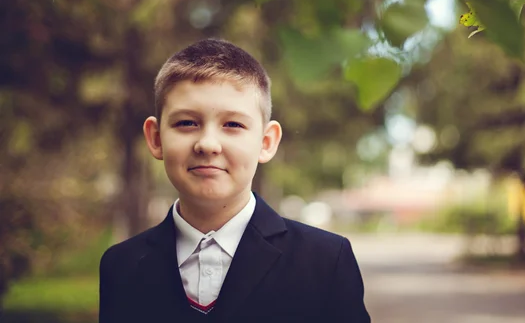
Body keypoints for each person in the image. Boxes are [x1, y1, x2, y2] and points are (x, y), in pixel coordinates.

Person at [99, 39, 370, 323]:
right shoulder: (121, 266)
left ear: (266, 142)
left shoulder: (325, 260)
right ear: (156, 138)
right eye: (186, 123)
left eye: (233, 125)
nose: (207, 144)